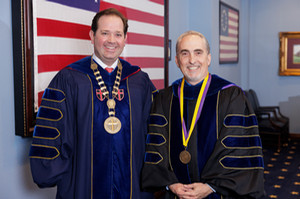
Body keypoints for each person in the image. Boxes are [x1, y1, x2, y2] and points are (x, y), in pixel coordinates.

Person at [29, 8, 155, 199]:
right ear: (92, 35)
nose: (111, 40)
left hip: (133, 187)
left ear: (125, 38)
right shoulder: (69, 79)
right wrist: (55, 173)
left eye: (118, 34)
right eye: (105, 33)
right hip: (82, 185)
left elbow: (156, 132)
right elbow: (51, 132)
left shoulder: (139, 81)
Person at [142, 31, 265, 199]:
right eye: (185, 53)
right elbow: (156, 147)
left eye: (198, 52)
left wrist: (211, 186)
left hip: (218, 193)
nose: (192, 60)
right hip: (176, 193)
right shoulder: (164, 98)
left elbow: (238, 151)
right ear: (177, 60)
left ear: (208, 58)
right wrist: (171, 183)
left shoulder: (232, 96)